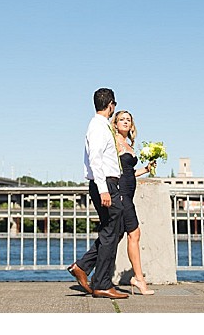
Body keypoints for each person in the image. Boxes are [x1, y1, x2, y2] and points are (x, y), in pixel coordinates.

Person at [66, 88, 128, 299]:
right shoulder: (98, 127)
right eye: (114, 105)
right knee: (112, 231)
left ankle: (83, 267)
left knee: (113, 230)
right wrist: (104, 190)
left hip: (108, 184)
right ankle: (101, 283)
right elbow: (96, 159)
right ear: (110, 104)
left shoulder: (101, 126)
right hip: (106, 185)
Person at [111, 110, 156, 295]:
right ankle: (139, 279)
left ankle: (86, 266)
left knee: (116, 235)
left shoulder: (128, 144)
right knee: (134, 233)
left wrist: (146, 169)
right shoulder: (113, 142)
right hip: (121, 192)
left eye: (128, 120)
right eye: (121, 119)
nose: (125, 122)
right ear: (115, 123)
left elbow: (129, 172)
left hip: (129, 193)